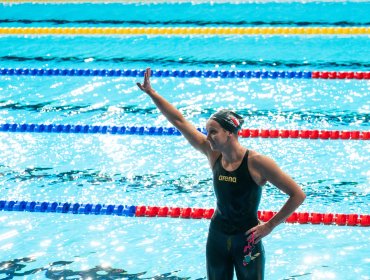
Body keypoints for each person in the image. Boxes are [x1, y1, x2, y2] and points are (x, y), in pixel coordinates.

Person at [137, 68, 306, 280]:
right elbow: (179, 121)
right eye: (207, 131)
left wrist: (270, 225)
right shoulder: (213, 154)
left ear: (230, 132)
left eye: (213, 131)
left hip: (247, 240)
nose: (208, 137)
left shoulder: (257, 163)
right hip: (217, 236)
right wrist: (152, 93)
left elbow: (297, 194)